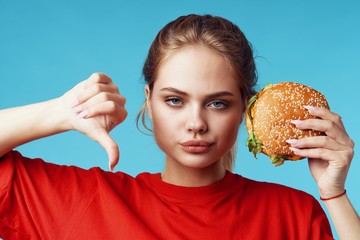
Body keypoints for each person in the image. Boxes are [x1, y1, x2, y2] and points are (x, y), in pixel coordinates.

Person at [0, 14, 359, 240]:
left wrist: (336, 195)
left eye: (218, 103)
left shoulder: (292, 215)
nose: (196, 124)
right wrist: (60, 112)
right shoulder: (82, 201)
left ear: (246, 111)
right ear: (149, 101)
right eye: (175, 100)